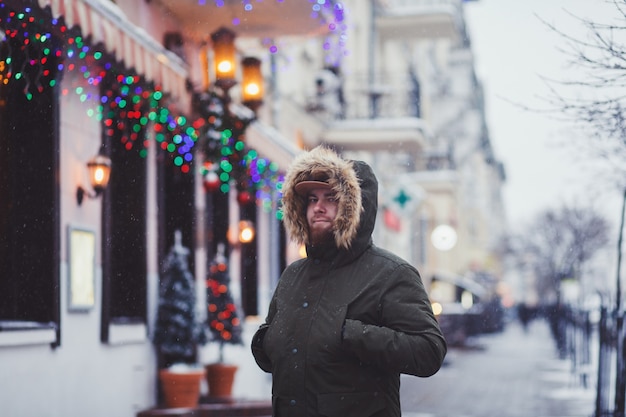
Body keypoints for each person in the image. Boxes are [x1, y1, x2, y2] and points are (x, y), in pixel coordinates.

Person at [251, 146, 447, 417]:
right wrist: (265, 340)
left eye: (331, 197)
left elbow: (429, 351)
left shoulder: (391, 273)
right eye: (310, 199)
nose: (317, 207)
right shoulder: (293, 275)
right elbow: (273, 350)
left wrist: (350, 334)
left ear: (356, 207)